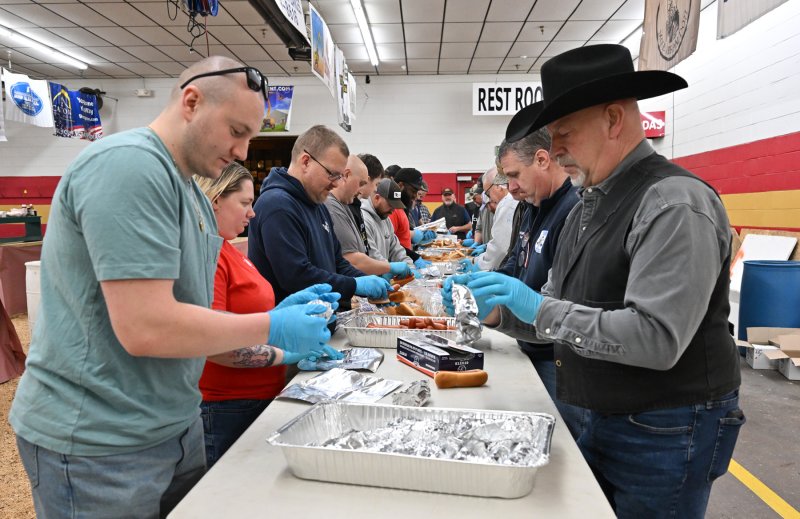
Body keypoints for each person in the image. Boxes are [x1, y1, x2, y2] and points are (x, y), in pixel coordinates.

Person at [9, 57, 335, 518]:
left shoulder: (188, 193)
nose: (244, 151)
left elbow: (194, 325)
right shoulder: (129, 166)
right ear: (191, 101)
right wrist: (270, 325)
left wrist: (274, 335)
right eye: (237, 131)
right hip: (99, 443)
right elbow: (146, 327)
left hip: (172, 428)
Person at [444, 44, 743, 518]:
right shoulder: (590, 203)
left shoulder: (672, 203)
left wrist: (539, 308)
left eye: (564, 132)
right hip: (598, 416)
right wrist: (502, 312)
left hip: (663, 431)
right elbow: (559, 312)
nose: (556, 148)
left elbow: (657, 337)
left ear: (612, 119)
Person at [194, 163, 342, 468]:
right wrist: (284, 353)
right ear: (215, 199)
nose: (252, 213)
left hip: (256, 398)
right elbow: (215, 345)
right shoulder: (208, 256)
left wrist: (285, 310)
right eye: (245, 203)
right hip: (227, 407)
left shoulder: (230, 250)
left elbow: (246, 318)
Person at [495, 121, 583, 438]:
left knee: (564, 447)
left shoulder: (573, 209)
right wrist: (486, 283)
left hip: (557, 358)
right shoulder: (532, 206)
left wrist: (501, 310)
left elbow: (560, 303)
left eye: (515, 175)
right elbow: (517, 263)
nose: (511, 187)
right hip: (528, 343)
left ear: (543, 159)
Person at [248, 125, 392, 310]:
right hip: (292, 330)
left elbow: (337, 262)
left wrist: (362, 279)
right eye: (332, 174)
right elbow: (297, 276)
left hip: (323, 320)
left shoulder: (318, 204)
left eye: (340, 176)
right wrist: (354, 285)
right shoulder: (277, 206)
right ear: (306, 162)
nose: (337, 183)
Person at [325, 154, 413, 278]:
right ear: (346, 175)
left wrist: (410, 266)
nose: (361, 190)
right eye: (361, 183)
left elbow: (361, 251)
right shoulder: (333, 207)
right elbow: (353, 258)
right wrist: (387, 269)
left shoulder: (350, 205)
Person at [463, 166, 519, 272]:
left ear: (497, 186)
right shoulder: (511, 202)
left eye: (488, 193)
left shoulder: (506, 204)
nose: (490, 198)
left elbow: (501, 248)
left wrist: (477, 263)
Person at [361, 179, 417, 269]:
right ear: (377, 198)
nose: (393, 210)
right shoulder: (364, 219)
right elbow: (372, 255)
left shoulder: (386, 219)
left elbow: (396, 249)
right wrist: (390, 269)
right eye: (390, 205)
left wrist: (410, 266)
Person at [389, 167, 432, 269]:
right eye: (413, 191)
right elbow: (390, 244)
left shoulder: (402, 209)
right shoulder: (391, 210)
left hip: (406, 262)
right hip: (398, 267)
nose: (415, 196)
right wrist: (414, 257)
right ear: (400, 186)